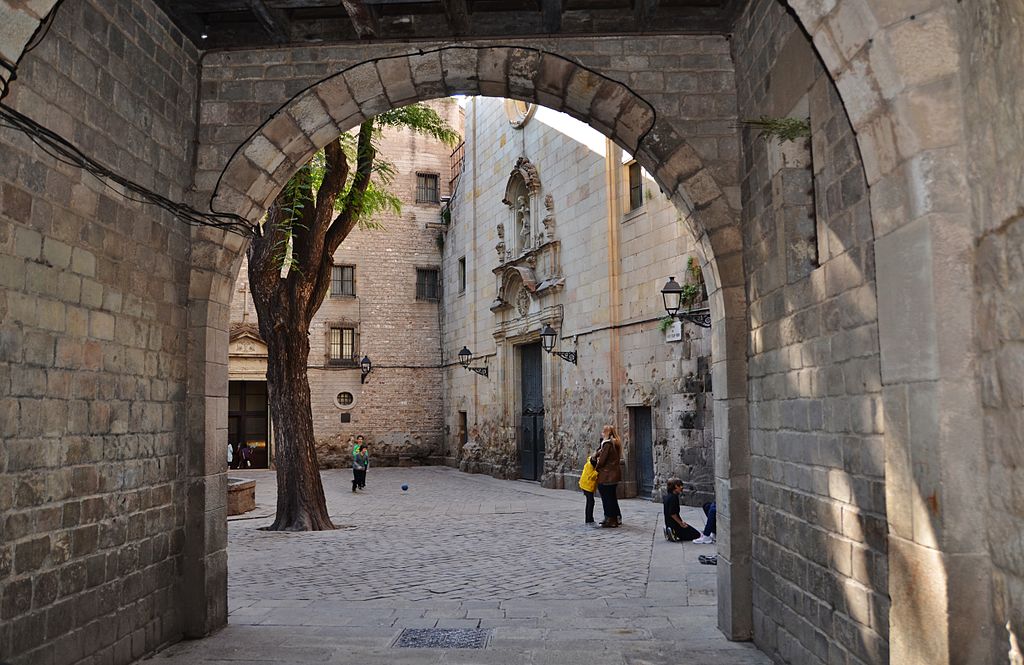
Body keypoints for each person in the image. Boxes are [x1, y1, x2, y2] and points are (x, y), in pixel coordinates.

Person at [591, 424, 622, 528]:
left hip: (606, 475)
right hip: (613, 475)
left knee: (607, 498)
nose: (602, 433)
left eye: (603, 431)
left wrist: (595, 465)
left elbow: (603, 460)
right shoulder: (615, 443)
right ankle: (614, 517)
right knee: (612, 497)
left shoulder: (607, 444)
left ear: (607, 433)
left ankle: (610, 519)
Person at [662, 477, 702, 542]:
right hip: (675, 525)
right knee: (697, 535)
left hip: (669, 523)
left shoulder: (667, 497)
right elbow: (673, 514)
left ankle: (669, 529)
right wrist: (681, 523)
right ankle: (673, 532)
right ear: (675, 486)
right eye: (680, 486)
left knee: (691, 530)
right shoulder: (674, 498)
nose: (682, 487)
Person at [578, 452, 598, 525]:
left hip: (586, 484)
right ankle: (588, 519)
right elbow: (592, 476)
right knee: (590, 502)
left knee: (590, 502)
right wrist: (597, 471)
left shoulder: (590, 462)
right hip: (586, 485)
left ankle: (589, 518)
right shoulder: (590, 465)